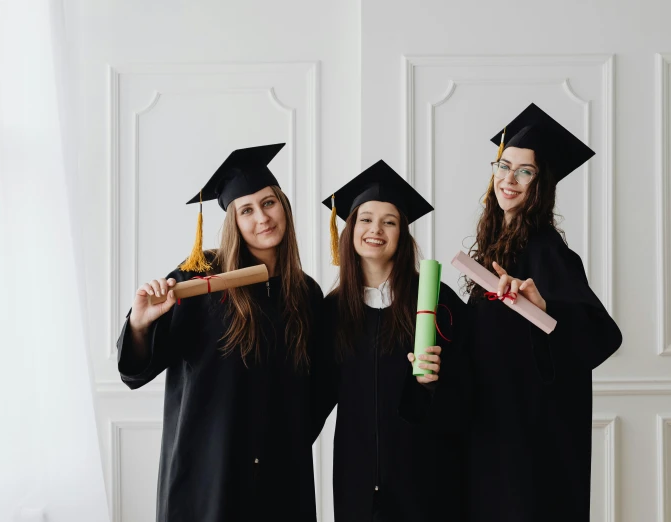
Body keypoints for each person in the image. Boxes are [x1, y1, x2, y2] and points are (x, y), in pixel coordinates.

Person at [117, 143, 324, 521]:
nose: (262, 217)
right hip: (207, 473)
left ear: (284, 206)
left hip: (280, 479)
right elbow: (136, 370)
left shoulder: (306, 294)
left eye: (269, 203)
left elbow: (317, 389)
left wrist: (286, 443)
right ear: (234, 221)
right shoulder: (199, 280)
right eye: (247, 210)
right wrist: (140, 323)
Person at [464, 104, 623, 521]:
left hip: (531, 449)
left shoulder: (548, 252)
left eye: (524, 171)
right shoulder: (497, 249)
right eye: (503, 165)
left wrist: (546, 308)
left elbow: (604, 335)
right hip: (491, 436)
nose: (508, 179)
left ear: (541, 184)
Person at [313, 160, 468, 522]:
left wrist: (435, 385)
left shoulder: (436, 301)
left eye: (390, 221)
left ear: (403, 234)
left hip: (427, 474)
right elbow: (313, 394)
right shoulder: (332, 311)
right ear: (350, 229)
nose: (375, 230)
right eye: (365, 219)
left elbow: (472, 383)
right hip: (357, 475)